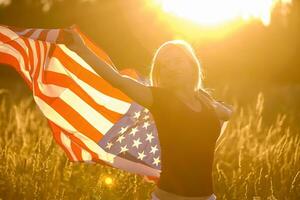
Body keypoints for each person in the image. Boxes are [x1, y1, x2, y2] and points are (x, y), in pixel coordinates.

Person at [64, 28, 234, 200]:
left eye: (176, 61)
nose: (171, 68)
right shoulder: (159, 99)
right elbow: (118, 81)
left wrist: (223, 110)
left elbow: (226, 113)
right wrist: (82, 49)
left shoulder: (204, 98)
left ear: (192, 64)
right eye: (164, 66)